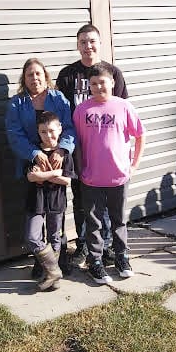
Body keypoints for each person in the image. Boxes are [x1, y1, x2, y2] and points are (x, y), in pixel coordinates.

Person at [56, 24, 128, 266]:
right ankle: (84, 245)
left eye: (92, 41)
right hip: (78, 151)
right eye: (83, 42)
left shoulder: (113, 74)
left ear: (100, 43)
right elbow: (63, 116)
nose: (88, 46)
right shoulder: (67, 76)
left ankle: (106, 246)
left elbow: (122, 112)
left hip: (105, 152)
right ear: (78, 45)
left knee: (106, 202)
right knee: (80, 198)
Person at [73, 63, 145, 284]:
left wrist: (134, 165)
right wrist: (79, 170)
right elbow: (76, 144)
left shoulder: (124, 107)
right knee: (93, 222)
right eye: (93, 84)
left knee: (118, 220)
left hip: (118, 177)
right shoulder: (82, 110)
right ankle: (95, 262)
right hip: (91, 178)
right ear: (88, 86)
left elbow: (140, 135)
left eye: (102, 82)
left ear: (112, 82)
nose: (98, 87)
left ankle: (122, 256)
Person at [5, 58, 76, 275]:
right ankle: (43, 261)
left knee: (56, 214)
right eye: (29, 75)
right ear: (23, 79)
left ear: (45, 76)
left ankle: (59, 258)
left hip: (56, 159)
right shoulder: (17, 103)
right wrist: (34, 153)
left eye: (38, 74)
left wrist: (62, 150)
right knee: (36, 210)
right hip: (31, 163)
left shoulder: (58, 98)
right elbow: (14, 134)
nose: (34, 78)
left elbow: (70, 128)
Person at [25, 111, 76, 290]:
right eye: (43, 132)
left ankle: (52, 277)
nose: (48, 135)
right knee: (33, 237)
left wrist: (43, 176)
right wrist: (54, 173)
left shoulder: (64, 154)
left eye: (52, 131)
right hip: (36, 201)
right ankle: (54, 270)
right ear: (38, 132)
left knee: (55, 236)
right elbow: (31, 177)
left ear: (60, 129)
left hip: (56, 201)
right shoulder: (34, 152)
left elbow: (67, 180)